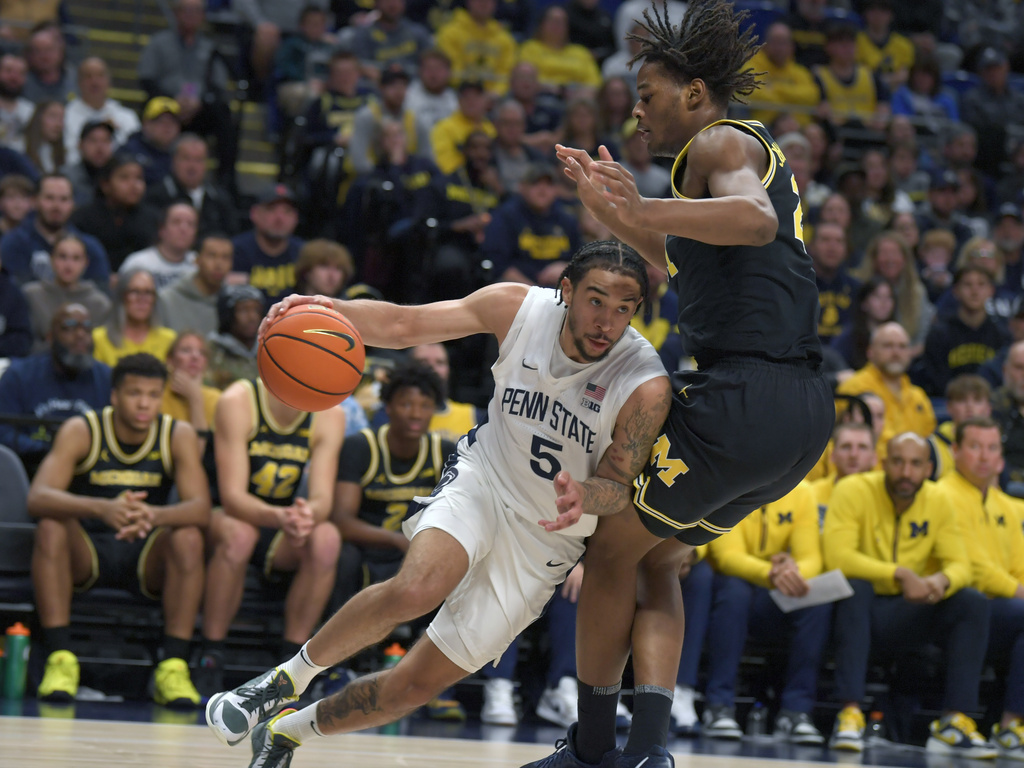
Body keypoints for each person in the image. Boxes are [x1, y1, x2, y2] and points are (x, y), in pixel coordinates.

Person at [204, 242, 671, 763]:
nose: (606, 321)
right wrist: (317, 309)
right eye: (595, 300)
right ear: (566, 291)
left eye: (623, 308)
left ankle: (290, 731)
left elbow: (619, 484)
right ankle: (282, 681)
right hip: (486, 479)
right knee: (418, 587)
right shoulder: (518, 308)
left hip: (546, 538)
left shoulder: (644, 385)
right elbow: (404, 326)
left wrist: (586, 494)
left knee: (412, 686)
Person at [526, 1, 835, 764]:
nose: (636, 111)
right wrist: (613, 211)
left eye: (649, 95)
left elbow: (755, 219)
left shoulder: (721, 140)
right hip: (797, 417)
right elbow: (684, 259)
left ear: (695, 93)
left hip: (742, 398)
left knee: (606, 553)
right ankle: (653, 751)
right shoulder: (716, 172)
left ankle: (595, 751)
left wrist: (641, 202)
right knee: (658, 558)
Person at [26, 353, 211, 706]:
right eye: (135, 393)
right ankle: (60, 659)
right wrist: (102, 508)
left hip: (146, 551)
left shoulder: (177, 433)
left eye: (154, 394)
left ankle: (173, 666)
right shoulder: (83, 429)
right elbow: (38, 497)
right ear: (114, 396)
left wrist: (152, 515)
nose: (145, 403)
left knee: (188, 536)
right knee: (50, 526)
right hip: (88, 550)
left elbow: (201, 509)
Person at [823, 432, 994, 757]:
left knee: (970, 601)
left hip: (907, 611)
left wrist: (940, 582)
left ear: (928, 468)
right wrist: (900, 574)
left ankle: (954, 721)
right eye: (898, 462)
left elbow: (961, 564)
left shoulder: (938, 499)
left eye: (915, 464)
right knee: (855, 586)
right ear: (884, 463)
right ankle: (850, 714)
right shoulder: (853, 489)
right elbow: (837, 557)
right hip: (857, 611)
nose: (906, 472)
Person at [330, 360, 467, 720]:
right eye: (406, 403)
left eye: (424, 405)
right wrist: (396, 541)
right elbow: (342, 519)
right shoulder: (361, 447)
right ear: (388, 406)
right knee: (340, 557)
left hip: (417, 553)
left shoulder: (444, 452)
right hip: (367, 550)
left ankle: (431, 682)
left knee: (452, 568)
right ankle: (338, 669)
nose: (415, 413)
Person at [195, 375, 344, 696]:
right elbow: (232, 497)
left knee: (327, 538)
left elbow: (323, 499)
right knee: (241, 536)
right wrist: (280, 516)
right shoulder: (237, 400)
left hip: (281, 520)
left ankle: (291, 668)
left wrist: (306, 515)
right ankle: (210, 654)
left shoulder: (330, 413)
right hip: (224, 516)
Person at [700, 482, 830, 745]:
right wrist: (770, 574)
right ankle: (718, 705)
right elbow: (727, 556)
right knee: (735, 590)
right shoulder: (731, 481)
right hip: (738, 589)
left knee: (816, 600)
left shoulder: (802, 491)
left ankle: (796, 712)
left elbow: (812, 558)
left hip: (773, 593)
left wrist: (793, 573)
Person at [937, 418, 1024, 760]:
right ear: (955, 450)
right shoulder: (942, 494)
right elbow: (972, 567)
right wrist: (1018, 592)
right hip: (951, 605)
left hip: (1000, 608)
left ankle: (1011, 725)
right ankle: (954, 721)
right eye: (974, 447)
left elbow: (1018, 565)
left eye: (992, 448)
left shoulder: (1008, 506)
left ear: (1002, 458)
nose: (984, 457)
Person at [0, 303, 112, 474]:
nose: (81, 334)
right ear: (50, 337)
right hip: (29, 469)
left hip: (93, 472)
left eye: (87, 328)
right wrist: (56, 452)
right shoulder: (18, 376)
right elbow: (4, 431)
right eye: (69, 327)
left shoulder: (107, 378)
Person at [836, 322, 936, 457]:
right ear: (870, 352)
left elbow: (928, 440)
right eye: (888, 345)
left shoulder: (918, 396)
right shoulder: (854, 388)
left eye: (902, 346)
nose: (896, 353)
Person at [0, 173, 110, 288]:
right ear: (34, 201)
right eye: (49, 198)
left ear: (73, 204)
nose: (57, 206)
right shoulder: (13, 244)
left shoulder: (90, 248)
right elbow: (10, 294)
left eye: (64, 199)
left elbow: (101, 293)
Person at [22, 234, 111, 352]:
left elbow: (102, 348)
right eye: (62, 257)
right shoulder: (31, 295)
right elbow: (24, 342)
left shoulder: (100, 304)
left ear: (86, 263)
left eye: (76, 258)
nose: (69, 265)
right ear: (51, 259)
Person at [144, 134, 239, 239]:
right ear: (173, 161)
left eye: (198, 160)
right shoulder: (156, 196)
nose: (192, 166)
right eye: (186, 158)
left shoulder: (219, 198)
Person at [230, 185, 303, 304]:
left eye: (287, 211)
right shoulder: (234, 251)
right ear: (254, 214)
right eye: (271, 209)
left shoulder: (304, 254)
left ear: (296, 218)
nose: (280, 218)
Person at [62, 57, 140, 166]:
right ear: (79, 82)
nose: (94, 82)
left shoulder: (127, 117)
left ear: (109, 81)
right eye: (88, 76)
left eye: (100, 76)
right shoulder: (64, 116)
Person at [92, 267, 177, 366]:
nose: (142, 299)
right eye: (135, 291)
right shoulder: (99, 339)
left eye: (148, 292)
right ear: (122, 296)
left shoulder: (169, 340)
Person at [159, 233, 233, 336]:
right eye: (212, 255)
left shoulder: (233, 302)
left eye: (225, 257)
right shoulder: (167, 299)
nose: (219, 264)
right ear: (197, 260)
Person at [160, 330, 220, 453]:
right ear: (170, 360)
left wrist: (195, 399)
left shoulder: (217, 399)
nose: (195, 356)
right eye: (186, 350)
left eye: (201, 353)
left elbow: (202, 453)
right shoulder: (156, 396)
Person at [119, 202, 198, 290]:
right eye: (176, 222)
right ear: (162, 229)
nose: (184, 229)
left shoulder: (200, 265)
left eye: (190, 224)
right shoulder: (137, 263)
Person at [927, 374, 992, 481]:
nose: (969, 406)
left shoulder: (996, 444)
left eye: (977, 400)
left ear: (988, 408)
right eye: (962, 400)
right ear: (949, 407)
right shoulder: (932, 446)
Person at [205, 284, 264, 390]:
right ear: (228, 315)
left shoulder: (268, 348)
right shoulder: (211, 352)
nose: (252, 317)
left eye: (256, 310)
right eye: (243, 310)